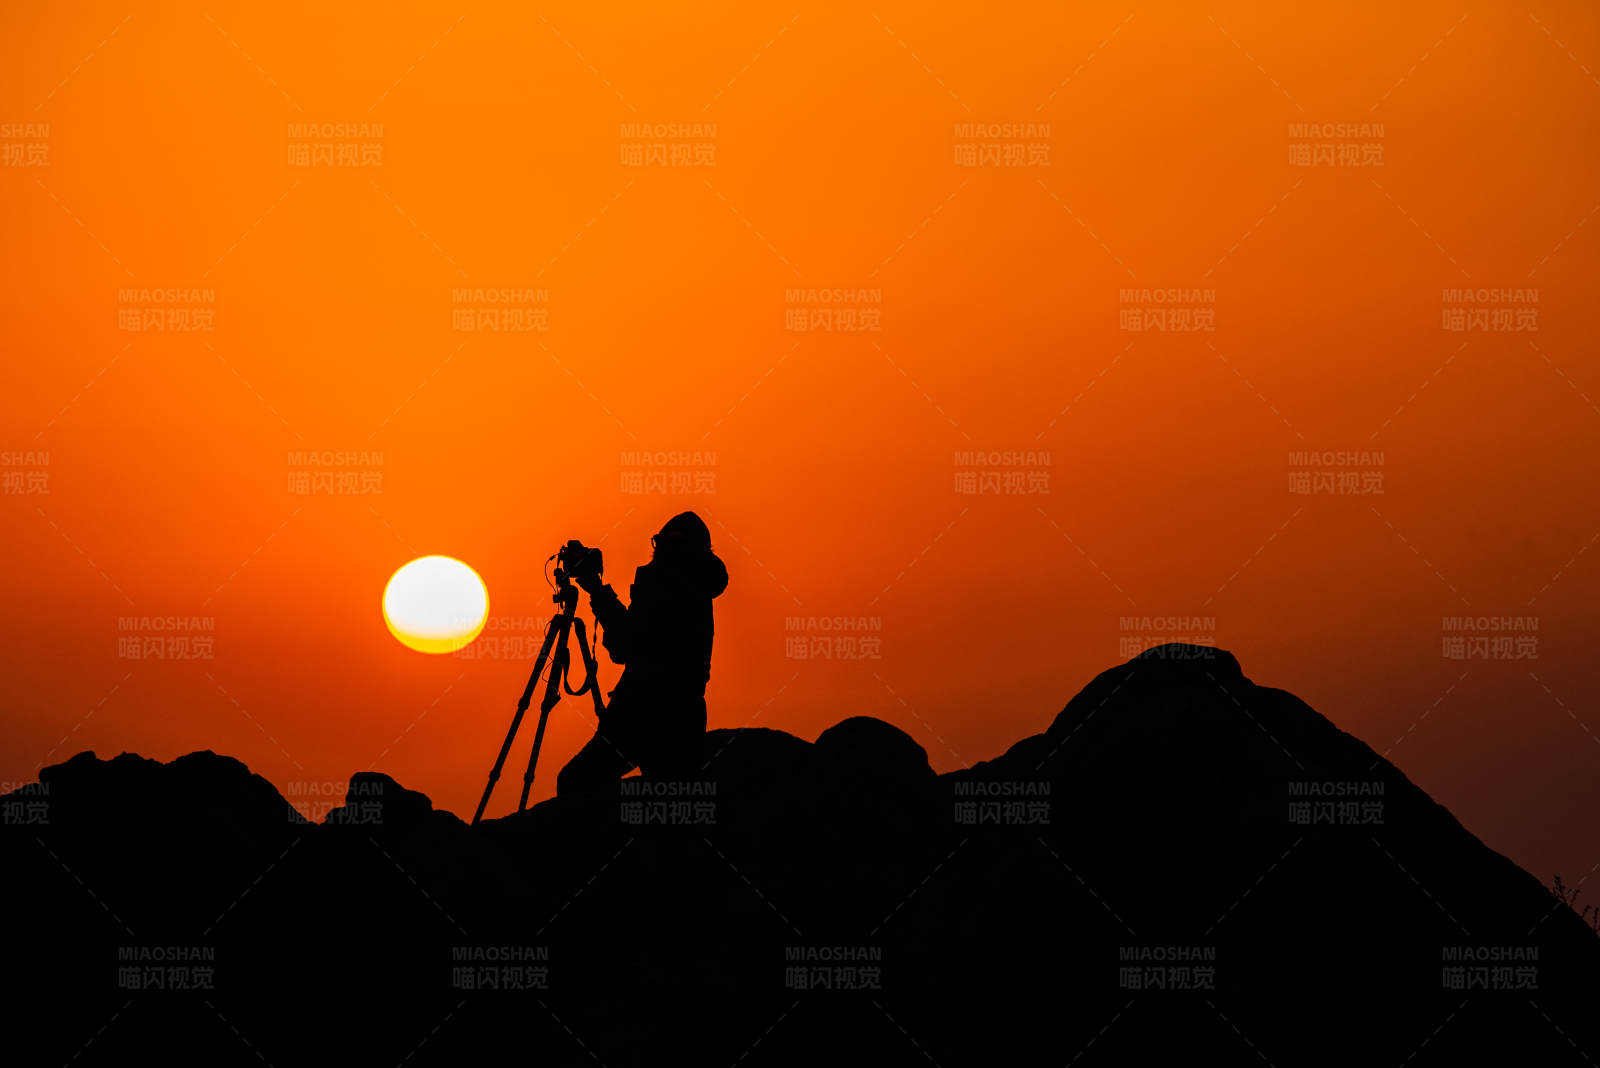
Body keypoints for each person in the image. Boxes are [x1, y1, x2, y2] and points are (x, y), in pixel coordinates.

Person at [556, 511, 729, 794]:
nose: (658, 550)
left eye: (664, 543)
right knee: (665, 806)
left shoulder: (667, 583)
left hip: (643, 710)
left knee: (576, 782)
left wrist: (596, 591)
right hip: (685, 715)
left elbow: (625, 646)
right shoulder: (697, 588)